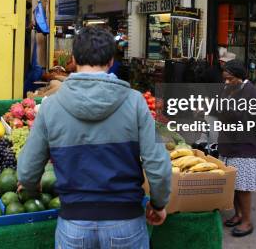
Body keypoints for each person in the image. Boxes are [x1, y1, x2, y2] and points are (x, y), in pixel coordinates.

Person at [17, 26, 172, 249]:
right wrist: (158, 204)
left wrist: (32, 187)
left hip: (73, 225)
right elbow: (158, 165)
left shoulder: (50, 106)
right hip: (126, 222)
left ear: (73, 59)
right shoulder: (135, 102)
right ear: (111, 61)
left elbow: (27, 170)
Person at [217, 59, 256, 237]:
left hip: (245, 146)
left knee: (243, 187)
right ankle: (237, 215)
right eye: (225, 79)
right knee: (234, 185)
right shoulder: (229, 88)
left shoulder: (252, 93)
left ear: (240, 76)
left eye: (230, 78)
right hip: (229, 143)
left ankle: (247, 221)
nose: (226, 82)